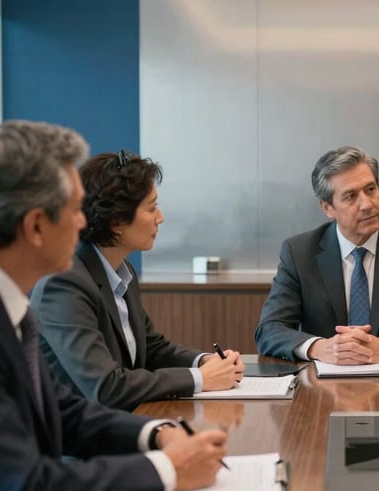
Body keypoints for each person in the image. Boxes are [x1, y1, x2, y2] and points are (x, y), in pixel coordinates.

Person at [0, 120, 227, 490]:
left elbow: (62, 411)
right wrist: (169, 469)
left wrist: (156, 433)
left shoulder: (5, 308)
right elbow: (24, 481)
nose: (84, 222)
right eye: (76, 209)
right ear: (36, 226)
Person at [30, 151, 245, 411]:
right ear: (117, 221)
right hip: (80, 434)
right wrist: (200, 379)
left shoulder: (122, 271)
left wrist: (204, 362)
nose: (160, 217)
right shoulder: (63, 285)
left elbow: (153, 348)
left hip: (123, 421)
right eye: (151, 207)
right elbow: (106, 387)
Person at [255, 145, 379, 364]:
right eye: (350, 196)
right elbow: (269, 329)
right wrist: (319, 348)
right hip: (322, 381)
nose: (367, 204)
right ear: (328, 208)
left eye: (370, 189)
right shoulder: (299, 253)